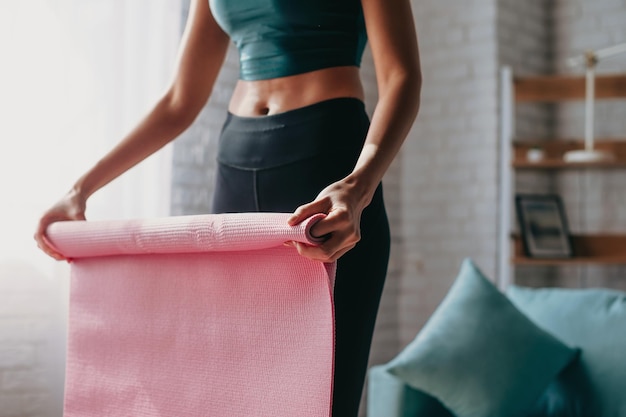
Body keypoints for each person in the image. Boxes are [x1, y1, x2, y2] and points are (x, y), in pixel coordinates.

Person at [34, 0, 421, 415]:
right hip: (235, 165)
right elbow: (180, 100)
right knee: (231, 390)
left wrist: (357, 186)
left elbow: (401, 77)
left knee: (323, 396)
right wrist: (81, 189)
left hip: (326, 166)